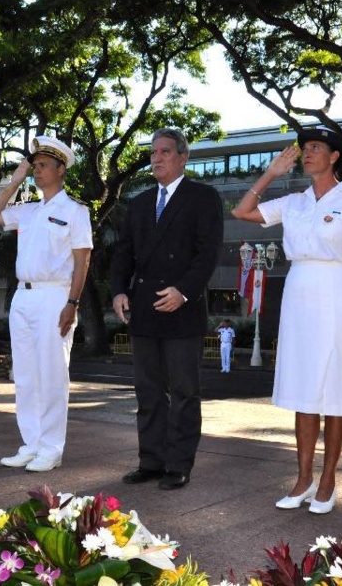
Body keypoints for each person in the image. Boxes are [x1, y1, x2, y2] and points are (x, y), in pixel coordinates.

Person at [231, 127, 342, 513]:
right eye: (304, 148)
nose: (307, 153)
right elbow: (241, 211)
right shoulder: (293, 202)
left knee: (337, 392)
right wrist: (271, 173)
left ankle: (328, 481)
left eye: (315, 148)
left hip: (338, 291)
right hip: (300, 292)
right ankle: (303, 478)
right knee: (304, 391)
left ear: (334, 157)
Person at [111, 127, 223, 491]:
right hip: (143, 308)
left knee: (184, 391)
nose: (156, 158)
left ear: (183, 157)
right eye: (153, 152)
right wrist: (117, 292)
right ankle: (151, 461)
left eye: (164, 151)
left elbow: (208, 254)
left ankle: (179, 464)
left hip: (182, 309)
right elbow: (122, 252)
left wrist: (184, 291)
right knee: (147, 390)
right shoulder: (139, 203)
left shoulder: (203, 197)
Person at [0, 136, 93, 472]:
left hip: (55, 295)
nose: (37, 172)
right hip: (24, 297)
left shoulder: (75, 211)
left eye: (43, 166)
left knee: (52, 373)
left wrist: (72, 302)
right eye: (35, 166)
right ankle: (31, 443)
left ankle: (51, 448)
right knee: (27, 375)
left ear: (61, 169)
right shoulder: (28, 210)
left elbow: (82, 260)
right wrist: (16, 179)